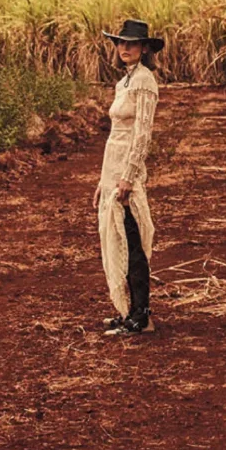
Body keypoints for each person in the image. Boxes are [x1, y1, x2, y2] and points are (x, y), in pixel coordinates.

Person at [93, 18, 164, 336]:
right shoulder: (124, 82)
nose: (124, 48)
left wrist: (128, 177)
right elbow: (116, 135)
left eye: (132, 43)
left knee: (133, 243)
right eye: (121, 43)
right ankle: (128, 311)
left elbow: (142, 134)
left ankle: (141, 316)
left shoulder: (144, 81)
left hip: (126, 176)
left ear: (144, 48)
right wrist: (103, 180)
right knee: (117, 242)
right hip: (113, 171)